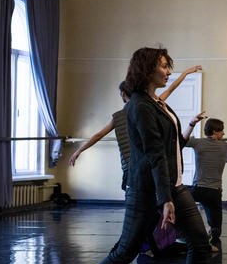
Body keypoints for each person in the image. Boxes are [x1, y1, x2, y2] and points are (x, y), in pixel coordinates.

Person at [52, 47, 227, 264]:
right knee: (124, 252)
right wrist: (164, 199)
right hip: (146, 192)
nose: (168, 71)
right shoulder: (138, 105)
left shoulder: (157, 102)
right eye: (163, 66)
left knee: (199, 242)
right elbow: (153, 154)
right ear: (146, 69)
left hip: (173, 187)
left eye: (169, 66)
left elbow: (169, 147)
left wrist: (171, 192)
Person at [69, 65, 202, 182]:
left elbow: (99, 135)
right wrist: (185, 73)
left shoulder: (120, 116)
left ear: (122, 94)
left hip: (133, 167)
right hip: (149, 162)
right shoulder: (148, 105)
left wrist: (80, 150)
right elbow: (170, 89)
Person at [185, 117, 227, 252]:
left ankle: (182, 232)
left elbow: (182, 140)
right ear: (215, 131)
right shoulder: (226, 146)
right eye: (221, 131)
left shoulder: (197, 143)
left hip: (197, 190)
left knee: (178, 195)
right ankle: (212, 239)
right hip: (214, 192)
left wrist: (191, 124)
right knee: (216, 228)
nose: (223, 133)